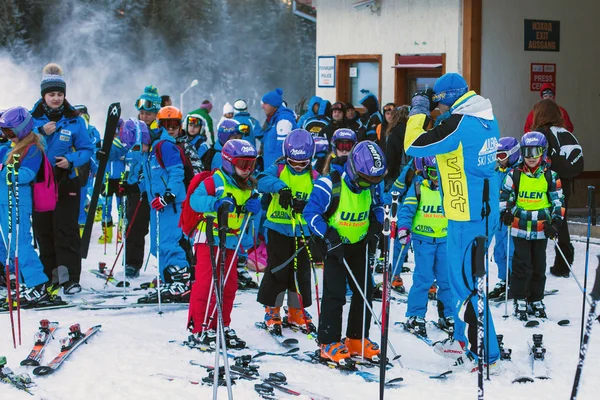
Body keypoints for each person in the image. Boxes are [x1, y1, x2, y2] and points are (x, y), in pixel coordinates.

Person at [404, 72, 501, 367]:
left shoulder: (458, 124)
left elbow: (414, 145)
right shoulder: (487, 117)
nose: (440, 111)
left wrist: (418, 112)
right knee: (471, 281)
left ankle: (484, 351)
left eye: (440, 106)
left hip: (465, 216)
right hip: (485, 212)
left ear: (446, 99)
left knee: (465, 285)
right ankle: (464, 338)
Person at [303, 141, 386, 366]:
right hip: (335, 247)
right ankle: (328, 342)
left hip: (359, 244)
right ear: (352, 169)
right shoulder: (328, 184)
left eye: (373, 181)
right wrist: (328, 236)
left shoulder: (372, 185)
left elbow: (378, 206)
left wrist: (376, 225)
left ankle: (356, 338)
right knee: (335, 293)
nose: (368, 185)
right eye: (364, 180)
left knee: (364, 291)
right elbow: (310, 214)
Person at [186, 139, 260, 348]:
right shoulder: (215, 182)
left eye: (251, 165)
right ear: (228, 162)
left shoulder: (248, 186)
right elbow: (195, 200)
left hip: (231, 240)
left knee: (229, 285)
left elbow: (246, 217)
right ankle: (201, 328)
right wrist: (215, 203)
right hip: (210, 237)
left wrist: (252, 209)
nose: (247, 170)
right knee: (207, 283)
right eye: (242, 164)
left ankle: (221, 325)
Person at [30, 63, 93, 295]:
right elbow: (19, 146)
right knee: (44, 230)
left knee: (65, 230)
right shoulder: (31, 119)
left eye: (60, 94)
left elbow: (88, 149)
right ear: (43, 96)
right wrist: (39, 134)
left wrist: (71, 160)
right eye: (51, 94)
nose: (56, 98)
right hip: (39, 181)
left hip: (66, 180)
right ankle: (50, 277)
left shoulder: (75, 119)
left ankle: (69, 279)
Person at [257, 129, 317, 335]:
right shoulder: (279, 169)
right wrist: (281, 188)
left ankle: (295, 309)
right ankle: (272, 309)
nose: (299, 167)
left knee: (300, 273)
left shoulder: (315, 176)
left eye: (303, 163)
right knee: (278, 270)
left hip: (302, 231)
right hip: (278, 228)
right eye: (294, 162)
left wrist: (306, 205)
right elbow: (261, 180)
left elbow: (321, 199)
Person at [499, 132, 564, 321]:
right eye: (527, 152)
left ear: (542, 152)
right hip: (520, 228)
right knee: (521, 265)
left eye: (535, 152)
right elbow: (504, 197)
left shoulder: (551, 176)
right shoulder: (514, 175)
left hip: (542, 230)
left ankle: (536, 298)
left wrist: (555, 223)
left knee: (538, 265)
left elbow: (558, 202)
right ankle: (520, 298)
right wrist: (506, 213)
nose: (531, 157)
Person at [0, 107, 55, 308]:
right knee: (7, 247)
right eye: (4, 131)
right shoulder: (7, 147)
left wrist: (4, 171)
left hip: (16, 202)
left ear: (21, 129)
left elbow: (26, 175)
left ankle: (38, 285)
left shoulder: (32, 148)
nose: (6, 135)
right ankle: (23, 282)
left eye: (9, 131)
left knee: (20, 244)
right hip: (2, 201)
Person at [137, 106, 190, 303]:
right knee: (157, 245)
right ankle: (169, 280)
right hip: (157, 204)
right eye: (166, 124)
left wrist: (169, 195)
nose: (170, 128)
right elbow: (150, 176)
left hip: (171, 204)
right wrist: (139, 187)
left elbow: (177, 173)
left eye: (174, 125)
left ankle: (181, 282)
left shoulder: (165, 146)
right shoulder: (150, 150)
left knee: (169, 243)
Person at [397, 156, 455, 337]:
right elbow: (406, 210)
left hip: (445, 240)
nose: (436, 177)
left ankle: (448, 314)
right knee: (424, 278)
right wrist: (404, 228)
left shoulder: (450, 189)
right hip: (423, 240)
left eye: (440, 173)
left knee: (446, 280)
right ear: (425, 172)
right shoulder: (418, 188)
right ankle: (415, 315)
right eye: (432, 172)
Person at [531, 99, 581, 278]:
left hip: (544, 186)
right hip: (565, 186)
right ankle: (563, 263)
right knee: (561, 223)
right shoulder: (565, 132)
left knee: (539, 223)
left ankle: (535, 266)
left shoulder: (540, 134)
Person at [120, 87, 162, 279]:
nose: (145, 116)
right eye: (142, 113)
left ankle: (168, 264)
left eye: (149, 113)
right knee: (134, 225)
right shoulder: (134, 128)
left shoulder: (159, 131)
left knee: (158, 228)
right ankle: (132, 263)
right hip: (135, 184)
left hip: (154, 187)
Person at [111, 118, 151, 279]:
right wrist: (128, 184)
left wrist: (138, 186)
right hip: (136, 193)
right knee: (133, 227)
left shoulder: (151, 150)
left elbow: (149, 174)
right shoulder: (132, 149)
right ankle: (131, 263)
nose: (133, 149)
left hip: (150, 193)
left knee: (149, 229)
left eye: (135, 145)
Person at [489, 137, 520, 299]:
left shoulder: (518, 173)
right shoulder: (496, 173)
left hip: (512, 219)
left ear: (513, 154)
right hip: (498, 219)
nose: (498, 160)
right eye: (496, 156)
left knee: (512, 251)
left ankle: (515, 280)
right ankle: (503, 278)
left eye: (502, 156)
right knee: (499, 250)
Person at [73, 105, 101, 232]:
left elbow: (93, 147)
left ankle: (82, 224)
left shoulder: (92, 130)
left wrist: (95, 167)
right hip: (75, 166)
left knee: (85, 192)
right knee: (77, 196)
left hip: (87, 166)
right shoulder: (73, 129)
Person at [260, 88, 297, 168]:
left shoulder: (284, 119)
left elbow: (282, 148)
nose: (262, 106)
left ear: (274, 104)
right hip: (271, 168)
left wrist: (276, 169)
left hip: (278, 170)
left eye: (265, 103)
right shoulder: (273, 120)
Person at [383, 106, 410, 190]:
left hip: (396, 175)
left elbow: (390, 158)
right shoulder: (412, 133)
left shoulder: (393, 134)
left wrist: (388, 177)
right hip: (411, 173)